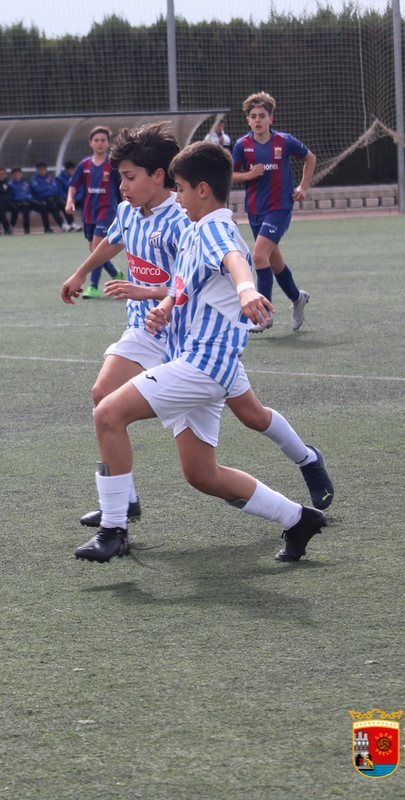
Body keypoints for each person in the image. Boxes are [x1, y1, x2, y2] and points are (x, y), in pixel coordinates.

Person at [61, 123, 335, 531]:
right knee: (105, 398)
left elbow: (225, 260)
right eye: (120, 177)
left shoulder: (189, 220)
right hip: (163, 334)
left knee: (253, 417)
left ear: (164, 179)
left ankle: (307, 459)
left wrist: (240, 291)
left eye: (129, 177)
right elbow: (164, 271)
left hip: (198, 343)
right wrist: (86, 274)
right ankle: (122, 501)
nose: (121, 186)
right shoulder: (133, 212)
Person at [231, 92, 315, 332]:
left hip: (280, 208)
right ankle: (298, 299)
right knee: (274, 262)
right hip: (255, 210)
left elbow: (310, 158)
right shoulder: (242, 145)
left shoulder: (284, 141)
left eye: (262, 116)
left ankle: (262, 315)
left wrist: (303, 186)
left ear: (271, 118)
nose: (257, 120)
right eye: (253, 116)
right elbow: (229, 174)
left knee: (258, 257)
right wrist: (248, 175)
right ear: (248, 120)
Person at [67, 126, 123, 298]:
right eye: (96, 140)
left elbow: (122, 186)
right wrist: (70, 199)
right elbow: (74, 184)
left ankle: (93, 287)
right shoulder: (84, 165)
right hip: (89, 213)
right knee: (94, 250)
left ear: (108, 143)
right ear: (90, 143)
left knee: (97, 247)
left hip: (107, 212)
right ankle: (115, 273)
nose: (99, 143)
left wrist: (127, 205)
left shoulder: (113, 165)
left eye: (103, 140)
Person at [55, 161, 79, 231]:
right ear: (67, 170)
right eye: (72, 170)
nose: (74, 172)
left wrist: (76, 198)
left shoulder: (77, 177)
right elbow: (59, 192)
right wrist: (70, 199)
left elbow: (82, 189)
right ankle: (71, 223)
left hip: (76, 198)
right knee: (65, 204)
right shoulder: (60, 178)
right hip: (66, 198)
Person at [0, 166, 15, 235]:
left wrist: (8, 199)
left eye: (3, 174)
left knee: (15, 209)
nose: (2, 176)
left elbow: (9, 193)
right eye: (0, 174)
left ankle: (12, 225)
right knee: (1, 209)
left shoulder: (7, 183)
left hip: (7, 202)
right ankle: (6, 228)